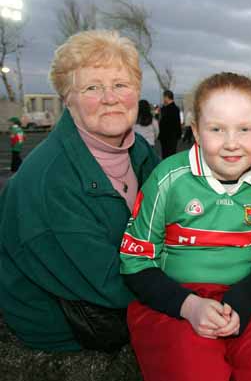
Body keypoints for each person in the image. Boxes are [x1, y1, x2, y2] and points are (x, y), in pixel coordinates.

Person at [120, 72, 251, 381]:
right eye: (217, 129)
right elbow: (135, 262)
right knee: (196, 371)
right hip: (174, 298)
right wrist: (188, 306)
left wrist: (239, 304)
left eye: (244, 129)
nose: (231, 143)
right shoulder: (168, 178)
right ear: (197, 132)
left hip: (247, 297)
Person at [0, 30, 159, 351]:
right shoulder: (50, 181)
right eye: (92, 88)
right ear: (67, 98)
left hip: (122, 294)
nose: (110, 98)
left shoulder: (139, 149)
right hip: (68, 327)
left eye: (120, 85)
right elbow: (109, 282)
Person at [158, 89, 181, 159]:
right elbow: (178, 123)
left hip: (167, 137)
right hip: (172, 136)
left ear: (167, 97)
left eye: (164, 97)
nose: (163, 99)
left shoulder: (165, 109)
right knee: (171, 155)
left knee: (166, 155)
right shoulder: (175, 108)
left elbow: (162, 123)